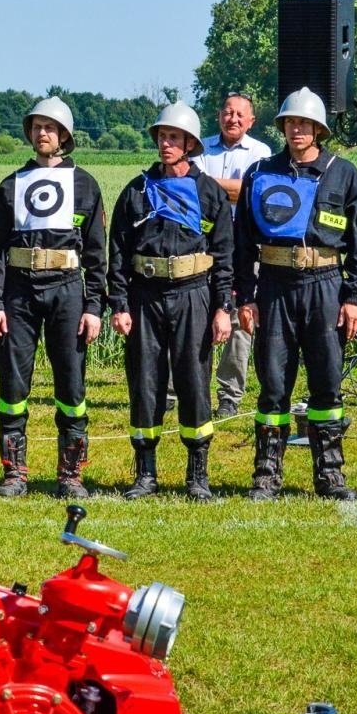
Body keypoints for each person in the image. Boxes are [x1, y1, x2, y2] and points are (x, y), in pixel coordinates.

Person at [234, 86, 357, 501]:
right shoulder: (260, 173)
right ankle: (266, 475)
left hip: (326, 286)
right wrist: (246, 296)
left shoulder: (343, 174)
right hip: (274, 286)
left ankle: (330, 474)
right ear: (282, 127)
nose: (297, 130)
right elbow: (242, 242)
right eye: (291, 123)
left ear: (318, 129)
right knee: (273, 383)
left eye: (305, 124)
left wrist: (354, 297)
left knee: (327, 383)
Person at [0, 96, 106, 498]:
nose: (42, 133)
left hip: (67, 289)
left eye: (50, 127)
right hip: (18, 291)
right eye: (36, 126)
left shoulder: (85, 184)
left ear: (64, 135)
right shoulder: (12, 185)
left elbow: (98, 252)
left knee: (71, 386)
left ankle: (70, 473)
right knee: (13, 387)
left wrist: (94, 307)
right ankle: (14, 473)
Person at [108, 102, 235, 502]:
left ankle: (197, 475)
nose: (166, 144)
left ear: (190, 144)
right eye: (162, 137)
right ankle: (145, 473)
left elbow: (225, 256)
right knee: (145, 382)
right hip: (145, 297)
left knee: (194, 382)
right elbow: (118, 251)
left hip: (193, 294)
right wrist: (119, 304)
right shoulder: (136, 190)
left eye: (174, 138)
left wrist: (222, 309)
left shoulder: (209, 193)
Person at [193, 91, 272, 417]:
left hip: (244, 248)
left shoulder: (261, 152)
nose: (233, 119)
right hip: (200, 243)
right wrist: (231, 187)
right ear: (218, 115)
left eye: (240, 114)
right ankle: (183, 389)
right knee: (193, 313)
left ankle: (229, 396)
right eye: (228, 112)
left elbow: (250, 190)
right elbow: (192, 189)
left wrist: (209, 183)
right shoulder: (199, 148)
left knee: (240, 317)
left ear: (251, 120)